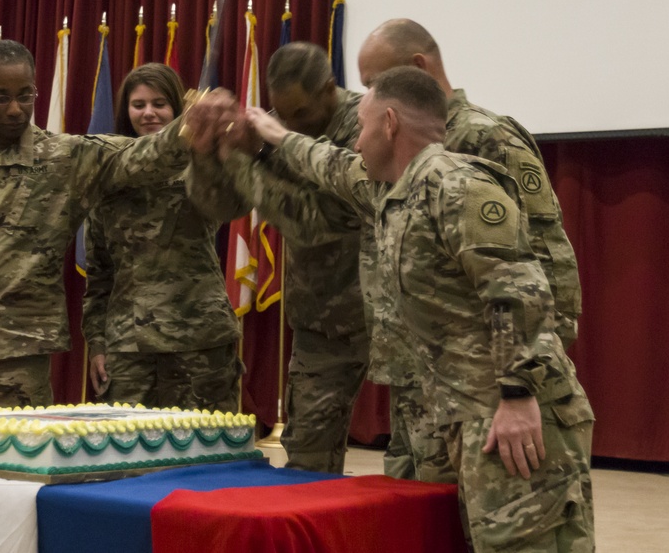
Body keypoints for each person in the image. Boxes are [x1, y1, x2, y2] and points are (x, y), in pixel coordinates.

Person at [242, 66, 595, 552]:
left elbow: (519, 293)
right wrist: (274, 137)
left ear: (389, 123)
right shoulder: (393, 189)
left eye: (362, 128)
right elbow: (330, 163)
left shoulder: (458, 185)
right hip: (457, 412)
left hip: (507, 414)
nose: (357, 143)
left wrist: (517, 394)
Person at [0, 40, 190, 410]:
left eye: (25, 96)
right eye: (1, 97)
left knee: (16, 463)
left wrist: (191, 127)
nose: (15, 109)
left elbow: (140, 157)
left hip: (21, 354)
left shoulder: (64, 158)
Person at [186, 41, 369, 474]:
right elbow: (219, 207)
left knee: (417, 461)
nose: (289, 124)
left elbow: (319, 220)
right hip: (323, 320)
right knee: (307, 456)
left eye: (301, 113)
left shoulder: (365, 124)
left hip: (390, 316)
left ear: (329, 89)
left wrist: (249, 157)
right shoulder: (274, 127)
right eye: (281, 113)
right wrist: (208, 152)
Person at [82, 63, 241, 411]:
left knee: (204, 452)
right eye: (138, 105)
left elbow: (231, 205)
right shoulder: (107, 170)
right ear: (126, 111)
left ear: (177, 109)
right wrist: (97, 343)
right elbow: (99, 273)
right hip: (129, 345)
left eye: (159, 103)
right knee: (127, 457)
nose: (149, 113)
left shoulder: (201, 160)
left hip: (198, 337)